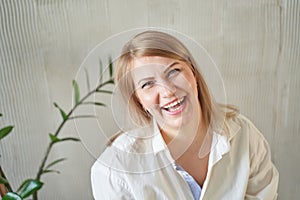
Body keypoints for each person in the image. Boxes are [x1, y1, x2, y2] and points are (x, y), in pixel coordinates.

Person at [91, 30, 279, 200]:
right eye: (147, 84)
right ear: (139, 100)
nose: (168, 91)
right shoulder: (113, 171)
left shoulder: (245, 137)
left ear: (193, 73)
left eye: (173, 71)